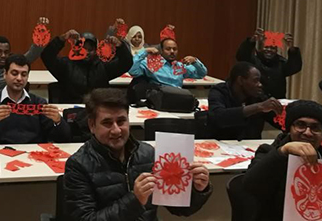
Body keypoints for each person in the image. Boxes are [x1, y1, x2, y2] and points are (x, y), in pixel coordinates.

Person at [64, 88, 212, 220]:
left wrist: (199, 190)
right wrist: (135, 200)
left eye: (121, 121)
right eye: (107, 123)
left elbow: (179, 209)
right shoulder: (78, 165)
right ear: (92, 125)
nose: (116, 130)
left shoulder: (148, 154)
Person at [240, 100, 322, 220]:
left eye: (315, 128)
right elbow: (249, 188)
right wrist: (282, 152)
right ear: (289, 129)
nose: (307, 133)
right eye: (300, 125)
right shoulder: (267, 154)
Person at [0, 53, 70, 144]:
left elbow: (63, 138)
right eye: (14, 73)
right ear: (5, 74)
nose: (19, 78)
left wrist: (58, 121)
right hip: (0, 151)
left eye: (24, 74)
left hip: (34, 150)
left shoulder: (39, 103)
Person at [41, 30, 132, 103]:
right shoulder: (66, 65)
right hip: (71, 111)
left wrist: (120, 46)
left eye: (90, 49)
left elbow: (126, 63)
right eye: (83, 48)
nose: (87, 52)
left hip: (97, 110)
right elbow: (47, 56)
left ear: (95, 51)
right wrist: (61, 39)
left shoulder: (103, 67)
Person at [206, 61, 283, 140]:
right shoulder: (219, 91)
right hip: (223, 143)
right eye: (255, 81)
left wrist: (283, 114)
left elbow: (277, 121)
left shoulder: (258, 96)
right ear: (241, 80)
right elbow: (218, 117)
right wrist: (258, 107)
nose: (260, 85)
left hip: (251, 145)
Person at [235, 27, 302, 99]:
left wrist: (292, 49)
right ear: (260, 48)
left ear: (276, 50)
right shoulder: (253, 60)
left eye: (273, 48)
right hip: (255, 102)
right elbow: (241, 56)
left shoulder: (281, 62)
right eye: (266, 47)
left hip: (276, 102)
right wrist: (252, 40)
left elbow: (295, 67)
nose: (269, 50)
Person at [128, 38, 207, 88]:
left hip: (178, 98)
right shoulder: (151, 64)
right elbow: (132, 71)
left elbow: (201, 74)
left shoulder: (180, 66)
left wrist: (195, 61)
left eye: (174, 49)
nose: (172, 51)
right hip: (159, 98)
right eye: (168, 49)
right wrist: (145, 51)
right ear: (161, 51)